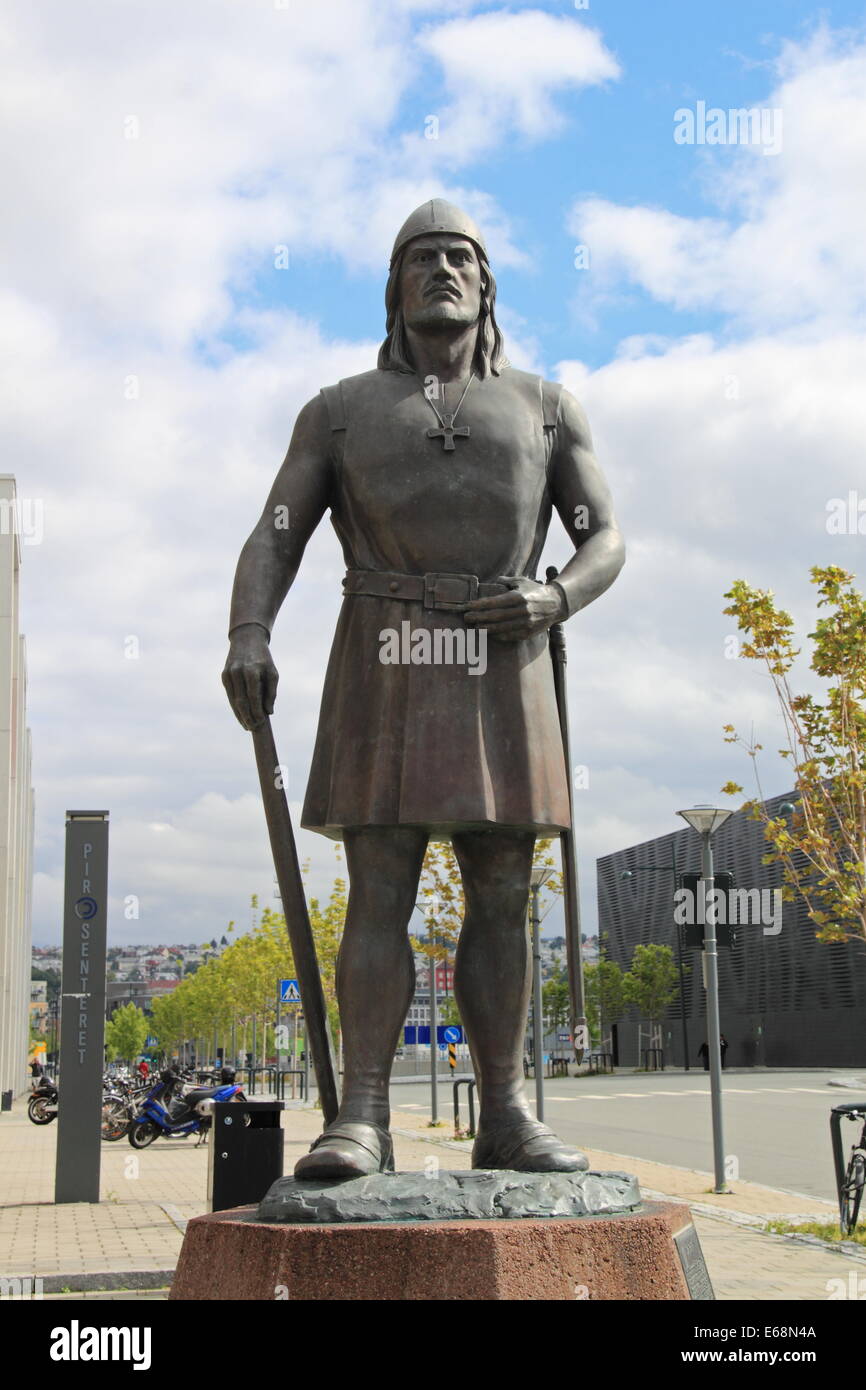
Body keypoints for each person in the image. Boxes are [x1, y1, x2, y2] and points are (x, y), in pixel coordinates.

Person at [223, 199, 624, 1180]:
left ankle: (505, 1111)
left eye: (460, 257)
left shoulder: (544, 404)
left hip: (505, 649)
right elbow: (278, 529)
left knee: (501, 888)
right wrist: (248, 629)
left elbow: (603, 534)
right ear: (394, 286)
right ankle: (359, 1113)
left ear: (486, 286)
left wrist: (553, 597)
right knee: (379, 887)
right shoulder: (338, 409)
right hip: (386, 648)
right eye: (421, 258)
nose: (442, 270)